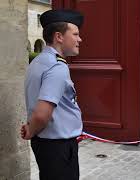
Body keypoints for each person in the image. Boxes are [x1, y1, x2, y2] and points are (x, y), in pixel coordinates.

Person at [20, 9, 84, 180]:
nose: (80, 39)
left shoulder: (38, 61)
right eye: (76, 34)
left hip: (46, 144)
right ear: (59, 37)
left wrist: (30, 129)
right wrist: (31, 130)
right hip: (58, 147)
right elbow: (41, 115)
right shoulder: (57, 67)